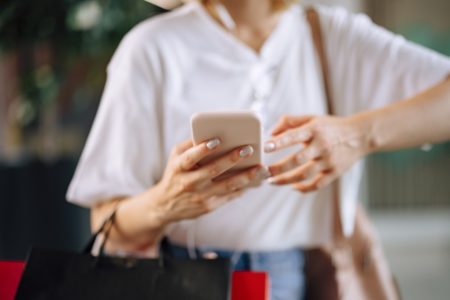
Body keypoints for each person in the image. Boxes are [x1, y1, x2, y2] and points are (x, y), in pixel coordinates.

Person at [66, 0, 450, 299]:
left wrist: (357, 135)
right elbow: (106, 222)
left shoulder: (330, 36)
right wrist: (167, 202)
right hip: (178, 281)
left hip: (298, 280)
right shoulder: (150, 49)